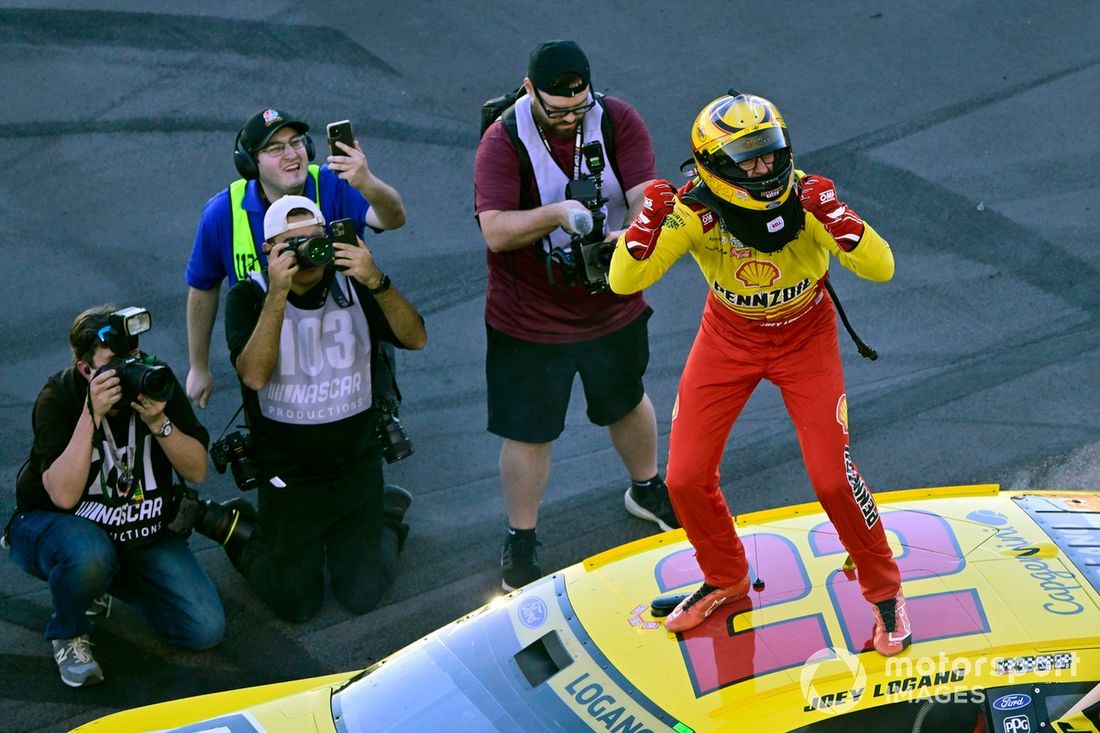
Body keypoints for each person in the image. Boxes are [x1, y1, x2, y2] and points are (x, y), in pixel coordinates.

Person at [608, 90, 910, 656]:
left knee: (832, 479)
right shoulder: (693, 211)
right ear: (712, 165)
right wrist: (645, 221)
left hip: (806, 337)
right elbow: (623, 281)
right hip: (728, 338)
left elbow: (883, 267)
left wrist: (838, 217)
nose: (763, 168)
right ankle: (724, 577)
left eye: (769, 152)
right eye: (746, 160)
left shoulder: (810, 198)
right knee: (683, 479)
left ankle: (885, 589)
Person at [473, 39, 679, 592]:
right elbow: (495, 229)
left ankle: (646, 488)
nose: (569, 118)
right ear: (529, 89)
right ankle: (521, 538)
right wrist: (557, 214)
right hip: (529, 318)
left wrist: (629, 234)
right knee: (528, 432)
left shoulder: (617, 119)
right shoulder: (502, 140)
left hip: (613, 299)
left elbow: (647, 194)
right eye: (556, 110)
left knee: (626, 399)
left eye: (578, 107)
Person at [223, 195, 426, 622]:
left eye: (314, 240)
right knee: (297, 603)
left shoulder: (355, 281)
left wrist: (377, 280)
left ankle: (387, 513)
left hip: (356, 467)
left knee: (362, 594)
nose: (307, 252)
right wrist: (278, 293)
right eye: (292, 244)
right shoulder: (248, 295)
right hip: (289, 478)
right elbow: (253, 375)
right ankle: (236, 528)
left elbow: (416, 338)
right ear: (268, 250)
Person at [5, 306, 224, 687]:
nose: (128, 370)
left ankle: (98, 579)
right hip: (59, 525)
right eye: (113, 364)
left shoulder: (155, 380)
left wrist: (159, 422)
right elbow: (62, 495)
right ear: (85, 369)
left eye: (133, 357)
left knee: (204, 629)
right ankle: (68, 631)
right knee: (89, 555)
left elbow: (197, 471)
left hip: (138, 530)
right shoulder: (60, 395)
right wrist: (91, 415)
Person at [185, 107, 406, 408]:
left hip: (346, 347)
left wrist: (365, 180)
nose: (291, 154)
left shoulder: (334, 183)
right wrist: (198, 366)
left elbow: (393, 218)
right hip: (273, 356)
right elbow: (202, 286)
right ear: (250, 162)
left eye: (296, 142)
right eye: (275, 148)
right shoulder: (223, 212)